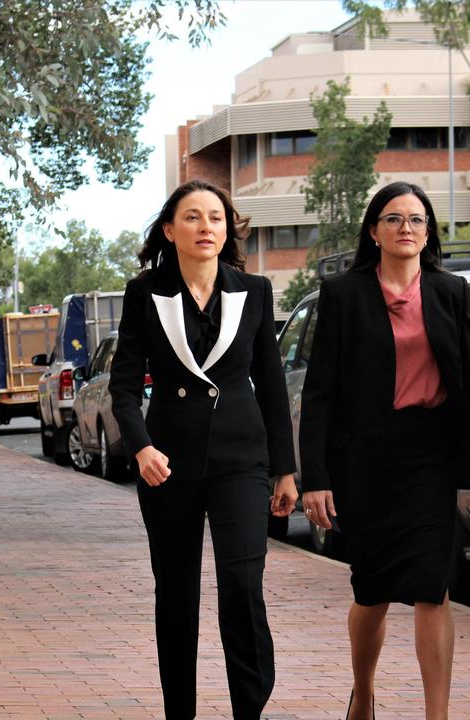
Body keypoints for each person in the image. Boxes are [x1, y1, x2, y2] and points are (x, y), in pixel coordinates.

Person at [299, 181, 470, 720]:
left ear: (428, 231)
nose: (405, 227)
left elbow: (465, 381)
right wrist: (314, 475)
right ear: (374, 230)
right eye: (393, 219)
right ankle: (363, 691)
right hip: (364, 460)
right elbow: (319, 391)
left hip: (429, 454)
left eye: (416, 219)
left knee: (433, 587)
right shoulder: (342, 294)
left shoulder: (449, 289)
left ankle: (438, 715)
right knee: (373, 592)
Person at [108, 179, 299, 719]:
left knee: (242, 587)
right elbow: (123, 387)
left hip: (242, 461)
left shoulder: (254, 291)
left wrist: (284, 470)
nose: (206, 227)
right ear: (170, 230)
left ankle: (250, 710)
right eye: (192, 217)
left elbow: (272, 385)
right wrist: (141, 448)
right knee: (177, 595)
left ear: (227, 228)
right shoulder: (144, 292)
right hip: (167, 466)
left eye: (215, 217)